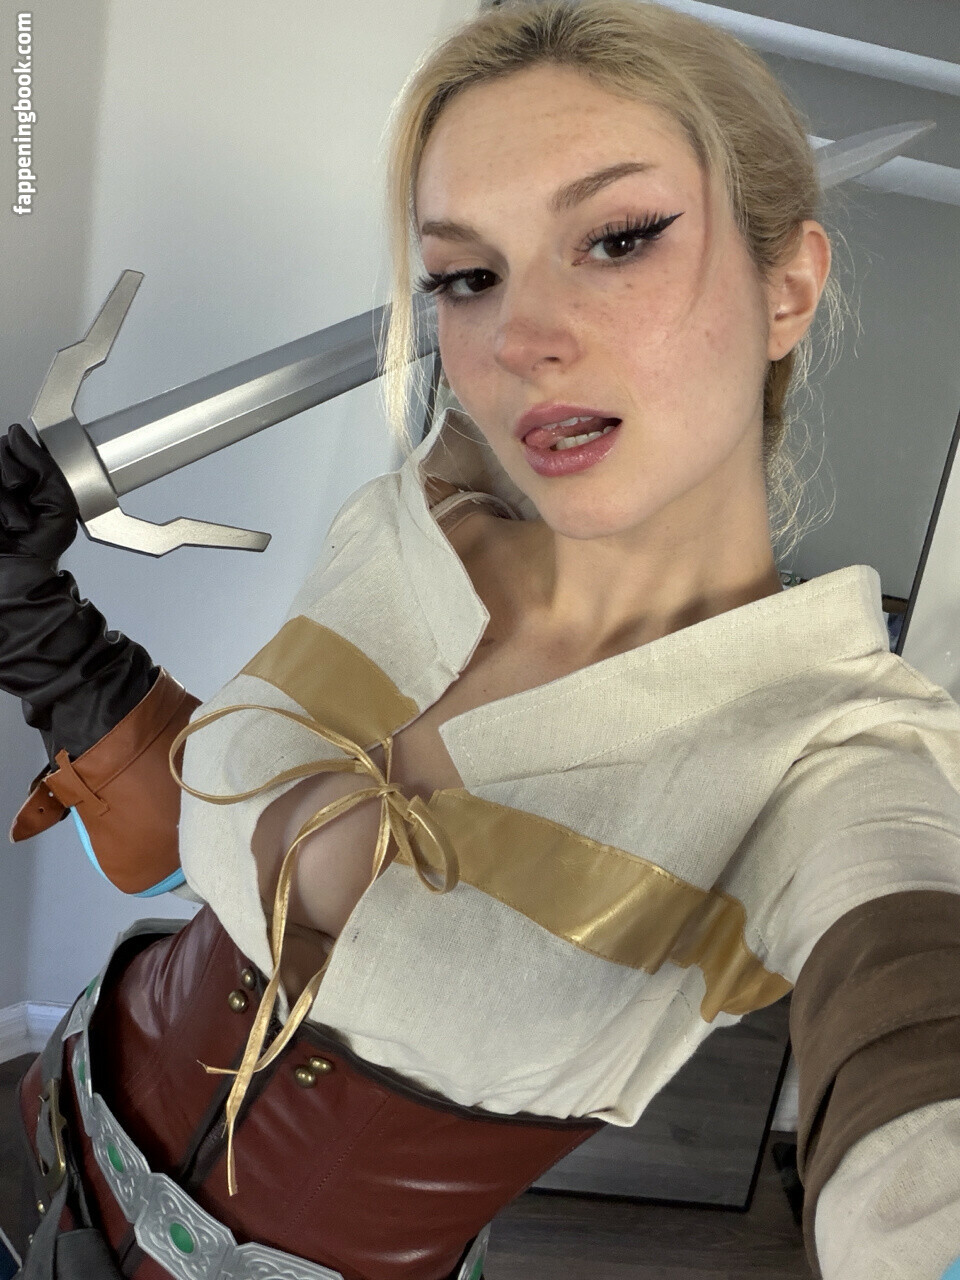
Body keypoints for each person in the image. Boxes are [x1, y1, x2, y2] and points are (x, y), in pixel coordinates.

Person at [3, 2, 960, 1278]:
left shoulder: (836, 753)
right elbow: (201, 838)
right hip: (38, 1119)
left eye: (618, 239)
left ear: (786, 285)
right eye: (469, 274)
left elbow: (913, 1035)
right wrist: (41, 630)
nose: (519, 337)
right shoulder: (408, 524)